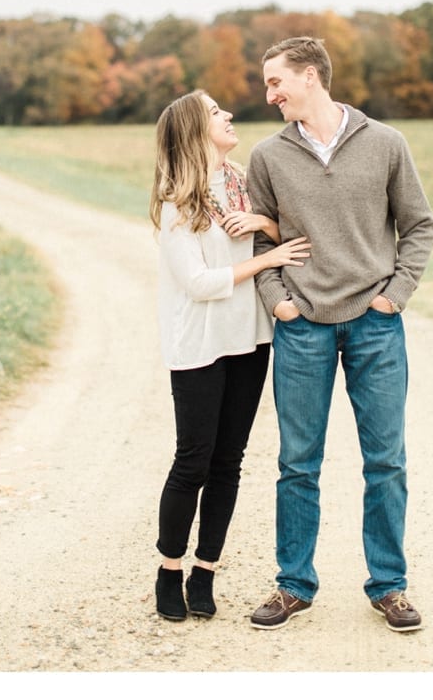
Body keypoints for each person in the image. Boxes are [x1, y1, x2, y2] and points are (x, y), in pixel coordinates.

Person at [245, 36, 433, 632]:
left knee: (386, 461)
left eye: (277, 82)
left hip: (375, 326)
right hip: (303, 328)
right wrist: (279, 304)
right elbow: (260, 241)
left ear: (310, 77)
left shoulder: (384, 144)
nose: (269, 93)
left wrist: (393, 297)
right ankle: (293, 585)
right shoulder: (268, 155)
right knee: (298, 463)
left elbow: (419, 226)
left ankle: (389, 586)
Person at [148, 90, 311, 621]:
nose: (229, 116)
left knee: (229, 463)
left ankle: (205, 571)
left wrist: (265, 230)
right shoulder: (177, 201)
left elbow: (294, 238)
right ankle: (169, 569)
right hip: (199, 343)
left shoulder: (245, 183)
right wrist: (266, 264)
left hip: (251, 339)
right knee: (193, 459)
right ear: (196, 129)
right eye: (217, 113)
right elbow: (197, 282)